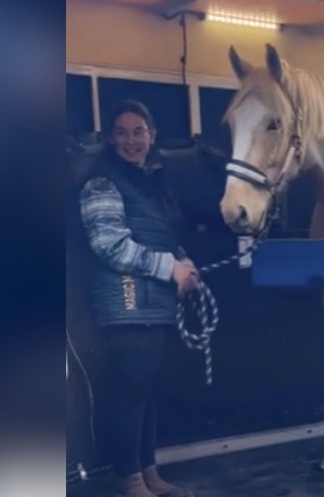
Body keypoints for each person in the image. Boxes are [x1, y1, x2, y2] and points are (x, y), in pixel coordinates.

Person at [79, 100, 197, 497]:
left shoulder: (151, 185)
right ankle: (128, 478)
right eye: (122, 132)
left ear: (152, 136)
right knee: (130, 394)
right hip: (127, 304)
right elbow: (109, 245)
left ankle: (148, 472)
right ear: (111, 139)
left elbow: (161, 237)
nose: (131, 140)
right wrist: (170, 268)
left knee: (147, 391)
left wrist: (185, 262)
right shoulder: (102, 184)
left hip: (155, 303)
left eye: (138, 131)